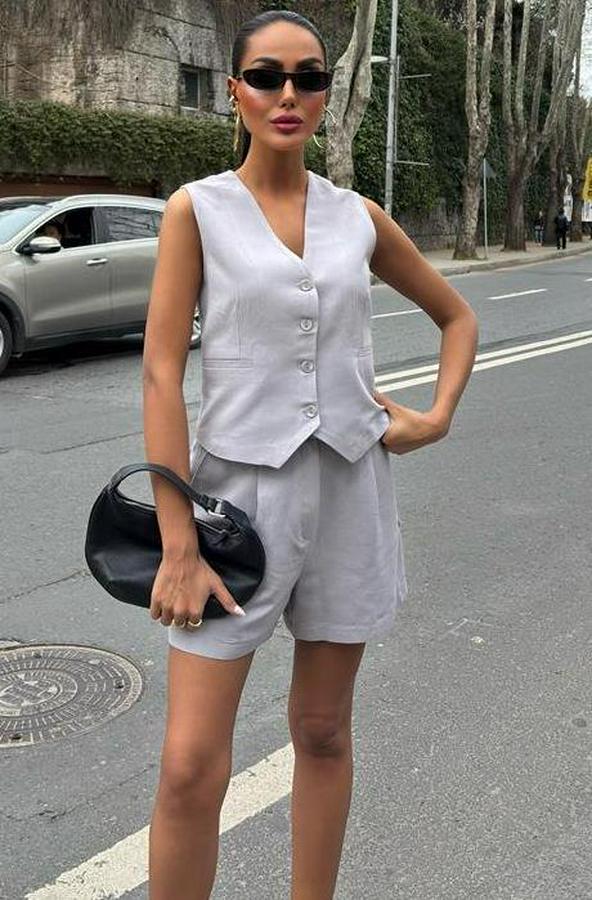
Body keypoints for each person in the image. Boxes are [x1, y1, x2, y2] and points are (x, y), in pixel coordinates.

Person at [143, 10, 478, 899]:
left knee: (323, 732)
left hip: (349, 493)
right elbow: (161, 373)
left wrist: (436, 416)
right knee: (188, 765)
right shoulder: (197, 210)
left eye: (309, 77)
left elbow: (457, 316)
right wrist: (177, 541)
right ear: (236, 92)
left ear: (327, 92)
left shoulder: (356, 216)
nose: (288, 94)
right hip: (233, 507)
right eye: (266, 76)